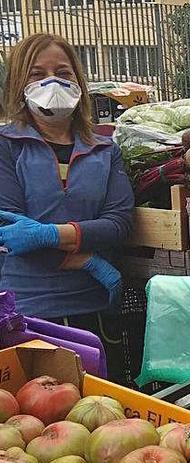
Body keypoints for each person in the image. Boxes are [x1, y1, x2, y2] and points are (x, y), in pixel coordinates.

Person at [0, 33, 133, 378]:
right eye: (36, 73)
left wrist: (47, 234)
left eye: (63, 71)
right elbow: (10, 236)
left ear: (78, 80)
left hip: (95, 309)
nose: (52, 81)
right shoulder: (6, 146)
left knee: (104, 416)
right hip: (28, 314)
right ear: (18, 82)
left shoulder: (105, 149)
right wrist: (87, 259)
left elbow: (118, 225)